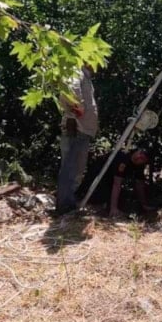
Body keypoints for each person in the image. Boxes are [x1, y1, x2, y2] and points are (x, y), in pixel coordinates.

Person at [55, 64, 98, 215]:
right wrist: (78, 107)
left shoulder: (85, 76)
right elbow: (70, 89)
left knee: (76, 169)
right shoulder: (76, 71)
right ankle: (64, 206)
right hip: (76, 128)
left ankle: (68, 203)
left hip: (82, 130)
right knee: (70, 169)